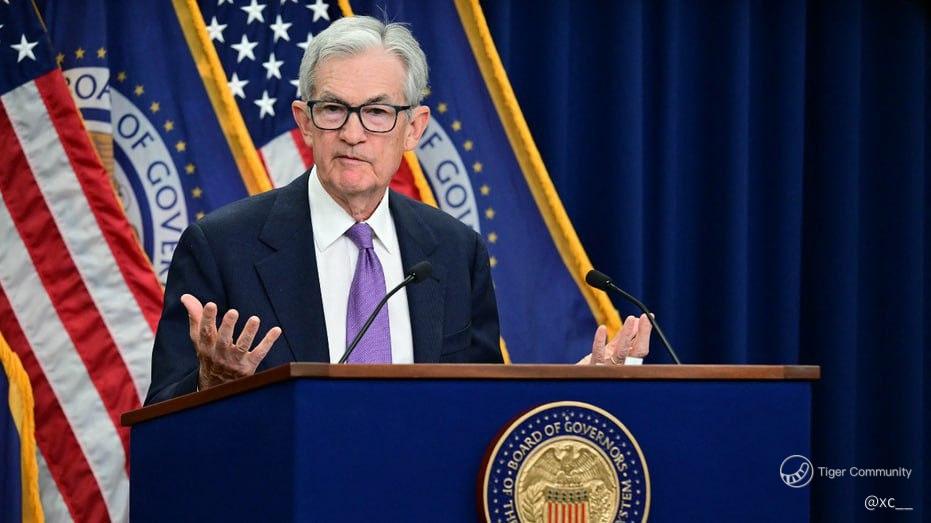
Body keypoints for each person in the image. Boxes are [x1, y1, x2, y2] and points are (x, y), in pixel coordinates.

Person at [145, 16, 650, 405]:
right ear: (305, 121)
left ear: (414, 128)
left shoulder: (454, 251)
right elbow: (161, 424)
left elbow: (479, 406)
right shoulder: (221, 248)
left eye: (377, 112)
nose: (353, 133)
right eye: (333, 109)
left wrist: (580, 385)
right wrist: (211, 386)